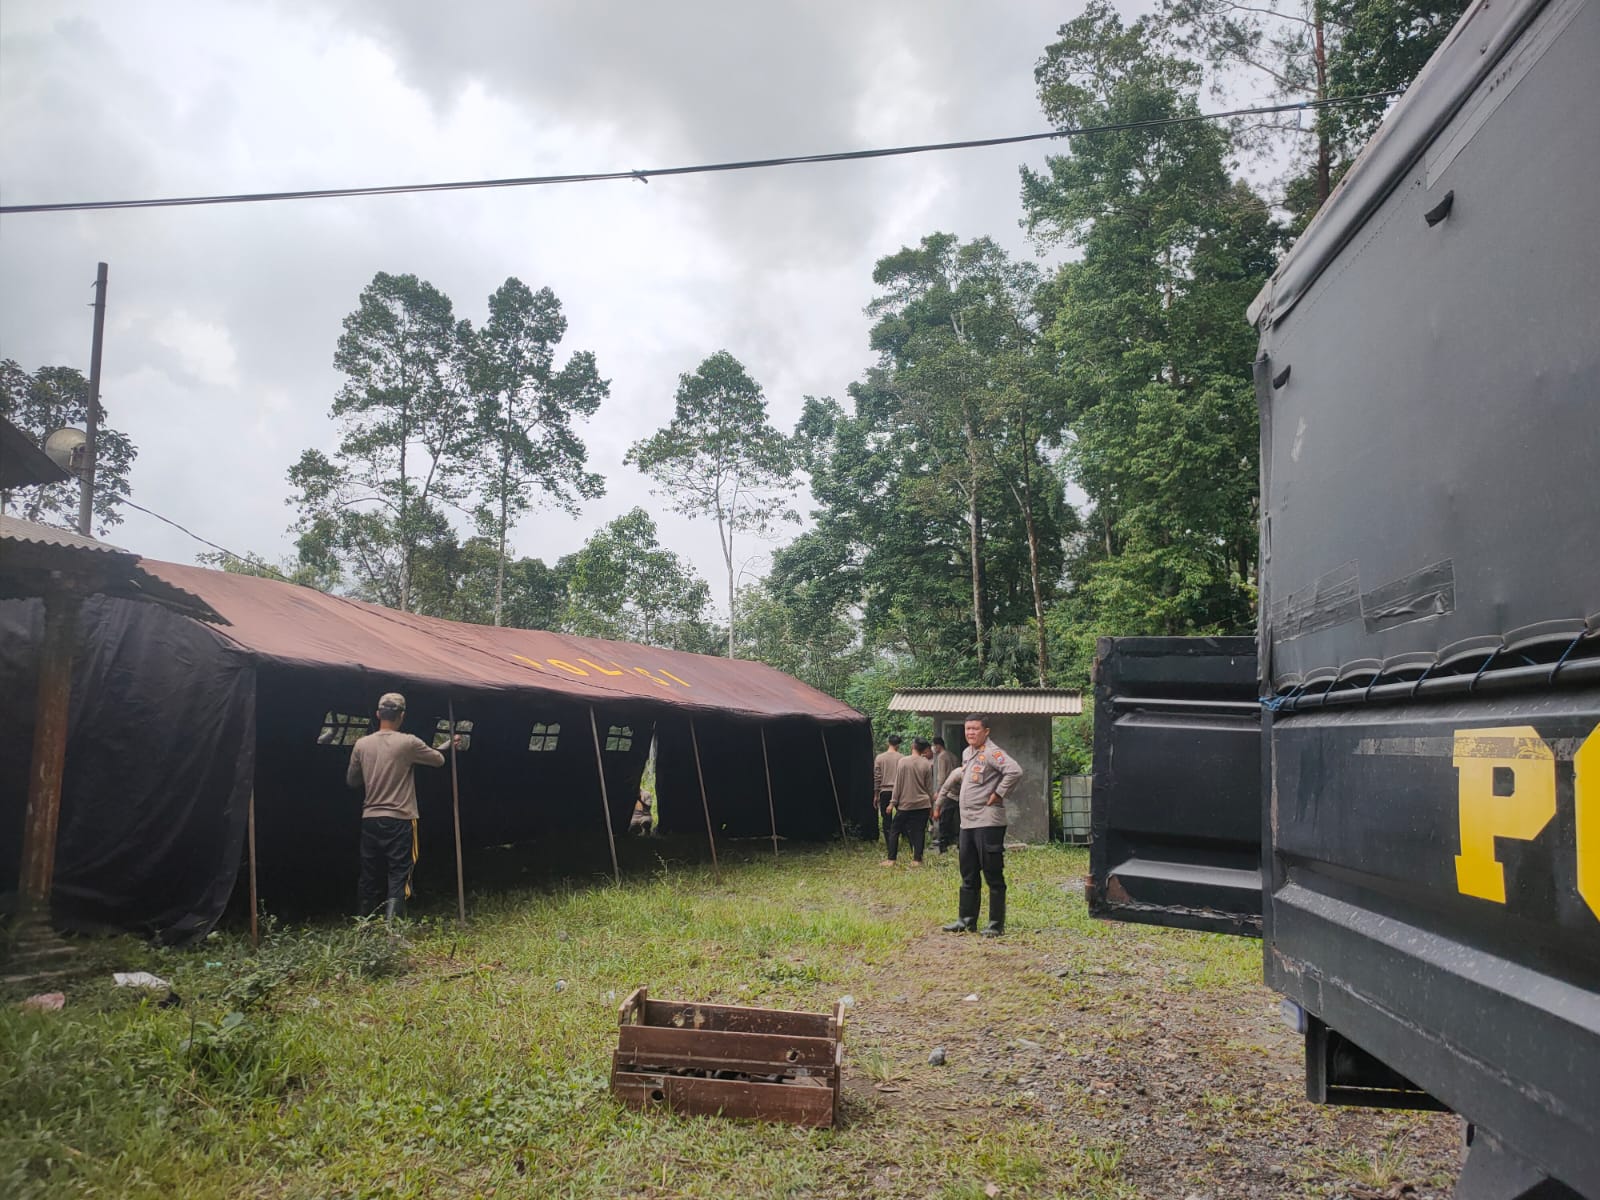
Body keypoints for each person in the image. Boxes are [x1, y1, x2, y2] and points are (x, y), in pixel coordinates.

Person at [347, 692, 451, 922]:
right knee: (399, 873)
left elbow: (352, 781)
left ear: (378, 714)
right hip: (401, 819)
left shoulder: (361, 745)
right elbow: (438, 760)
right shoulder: (408, 742)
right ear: (402, 716)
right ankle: (392, 928)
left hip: (371, 818)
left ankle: (363, 925)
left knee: (369, 873)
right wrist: (440, 748)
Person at [936, 714, 1022, 937]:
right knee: (968, 872)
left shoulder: (992, 753)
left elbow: (1014, 771)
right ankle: (966, 920)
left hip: (988, 822)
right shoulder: (967, 753)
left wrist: (998, 793)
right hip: (968, 823)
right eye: (967, 729)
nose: (970, 733)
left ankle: (995, 924)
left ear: (986, 731)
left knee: (993, 874)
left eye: (975, 729)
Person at [883, 738, 936, 866]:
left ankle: (891, 859)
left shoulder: (903, 762)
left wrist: (892, 803)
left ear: (913, 746)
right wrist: (932, 807)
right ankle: (917, 860)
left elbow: (898, 784)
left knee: (895, 830)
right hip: (923, 804)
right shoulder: (927, 764)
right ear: (924, 750)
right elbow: (929, 788)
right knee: (919, 832)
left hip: (906, 804)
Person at [871, 734, 904, 849]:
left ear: (888, 743)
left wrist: (876, 794)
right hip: (899, 791)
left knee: (886, 819)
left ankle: (890, 844)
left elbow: (877, 777)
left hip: (884, 791)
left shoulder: (880, 758)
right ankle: (905, 838)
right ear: (898, 745)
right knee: (903, 816)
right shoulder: (902, 758)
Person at [931, 736, 960, 853]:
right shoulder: (952, 755)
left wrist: (938, 791)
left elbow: (942, 777)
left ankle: (943, 845)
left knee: (944, 819)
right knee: (956, 818)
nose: (933, 748)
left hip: (948, 792)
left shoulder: (942, 756)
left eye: (933, 745)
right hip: (957, 789)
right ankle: (955, 841)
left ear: (938, 745)